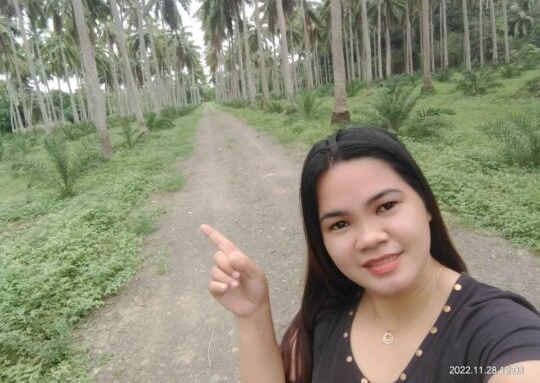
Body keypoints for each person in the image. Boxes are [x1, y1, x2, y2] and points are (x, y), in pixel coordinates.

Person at [200, 127, 540, 383]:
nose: (369, 238)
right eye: (340, 224)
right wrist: (253, 315)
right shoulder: (326, 315)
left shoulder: (495, 330)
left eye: (386, 206)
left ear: (426, 205)